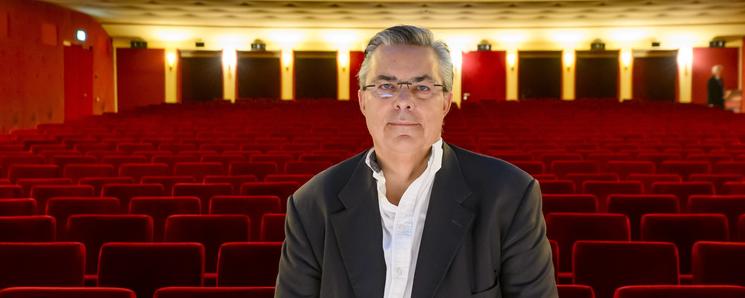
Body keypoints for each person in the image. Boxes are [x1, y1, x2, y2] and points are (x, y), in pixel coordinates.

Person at [275, 25, 558, 298]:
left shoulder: (509, 195)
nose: (403, 101)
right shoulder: (312, 203)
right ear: (363, 101)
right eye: (386, 85)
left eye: (422, 88)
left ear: (446, 102)